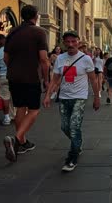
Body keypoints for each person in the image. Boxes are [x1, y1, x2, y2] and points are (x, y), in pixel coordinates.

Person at [43, 30, 100, 172]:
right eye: (67, 42)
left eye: (73, 41)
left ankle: (72, 157)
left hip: (80, 97)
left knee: (74, 127)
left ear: (78, 42)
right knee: (65, 127)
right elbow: (55, 79)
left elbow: (93, 79)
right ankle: (78, 142)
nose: (70, 44)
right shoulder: (60, 59)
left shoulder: (86, 59)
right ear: (64, 43)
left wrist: (97, 97)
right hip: (64, 97)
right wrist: (47, 95)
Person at [3, 5, 49, 162]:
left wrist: (15, 68)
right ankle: (16, 138)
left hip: (14, 77)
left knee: (20, 108)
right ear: (35, 16)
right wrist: (46, 80)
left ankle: (21, 143)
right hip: (30, 77)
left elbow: (6, 58)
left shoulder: (12, 32)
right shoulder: (38, 32)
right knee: (34, 110)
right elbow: (43, 59)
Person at [0, 34, 14, 125]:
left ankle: (7, 117)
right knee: (15, 96)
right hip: (14, 76)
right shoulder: (13, 50)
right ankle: (15, 114)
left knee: (5, 98)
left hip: (2, 76)